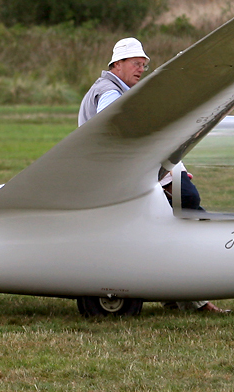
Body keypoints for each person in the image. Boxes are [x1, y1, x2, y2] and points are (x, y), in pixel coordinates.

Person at [80, 38, 225, 312]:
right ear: (118, 64)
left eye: (144, 65)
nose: (140, 69)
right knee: (190, 215)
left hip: (129, 177)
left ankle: (176, 295)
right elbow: (116, 128)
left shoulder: (115, 90)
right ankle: (193, 298)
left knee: (187, 213)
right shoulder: (109, 91)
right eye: (136, 64)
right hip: (124, 181)